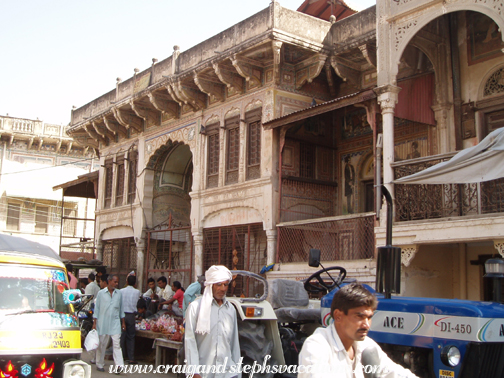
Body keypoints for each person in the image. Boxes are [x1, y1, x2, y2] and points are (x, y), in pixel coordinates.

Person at [298, 283, 418, 378]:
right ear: (338, 316)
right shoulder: (317, 346)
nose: (366, 325)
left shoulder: (367, 345)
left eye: (369, 317)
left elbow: (395, 373)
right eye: (359, 317)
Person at [185, 265, 241, 378]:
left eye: (225, 284)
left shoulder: (231, 309)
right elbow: (190, 341)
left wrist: (237, 371)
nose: (223, 289)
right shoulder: (196, 308)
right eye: (219, 284)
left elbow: (234, 343)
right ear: (210, 285)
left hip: (227, 373)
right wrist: (194, 372)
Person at [93, 275, 125, 372]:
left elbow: (121, 309)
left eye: (117, 282)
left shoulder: (119, 293)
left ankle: (119, 366)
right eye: (115, 282)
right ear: (109, 281)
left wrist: (123, 323)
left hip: (115, 323)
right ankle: (99, 364)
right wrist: (94, 323)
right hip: (102, 323)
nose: (116, 284)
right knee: (102, 344)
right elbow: (97, 309)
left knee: (116, 344)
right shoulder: (101, 293)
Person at [120, 274, 141, 364]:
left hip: (122, 315)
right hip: (131, 316)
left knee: (122, 337)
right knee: (131, 337)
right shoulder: (137, 292)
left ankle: (121, 356)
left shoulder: (121, 291)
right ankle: (131, 358)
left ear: (127, 282)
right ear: (135, 283)